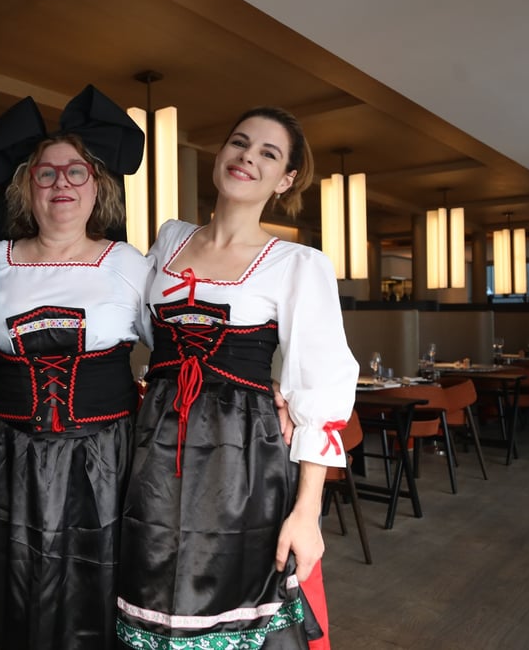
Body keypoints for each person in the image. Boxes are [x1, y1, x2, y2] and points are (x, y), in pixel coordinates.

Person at [116, 106, 359, 648]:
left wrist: (307, 513)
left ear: (285, 179)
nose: (248, 157)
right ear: (221, 152)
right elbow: (141, 329)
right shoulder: (170, 240)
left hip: (243, 458)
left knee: (236, 598)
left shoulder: (296, 263)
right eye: (239, 142)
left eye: (268, 153)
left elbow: (320, 384)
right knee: (151, 590)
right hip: (154, 449)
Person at [0, 86, 152, 650]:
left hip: (105, 462)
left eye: (75, 171)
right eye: (46, 173)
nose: (61, 182)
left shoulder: (128, 265)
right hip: (8, 459)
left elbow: (172, 352)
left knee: (96, 591)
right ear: (27, 188)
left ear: (97, 186)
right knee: (15, 590)